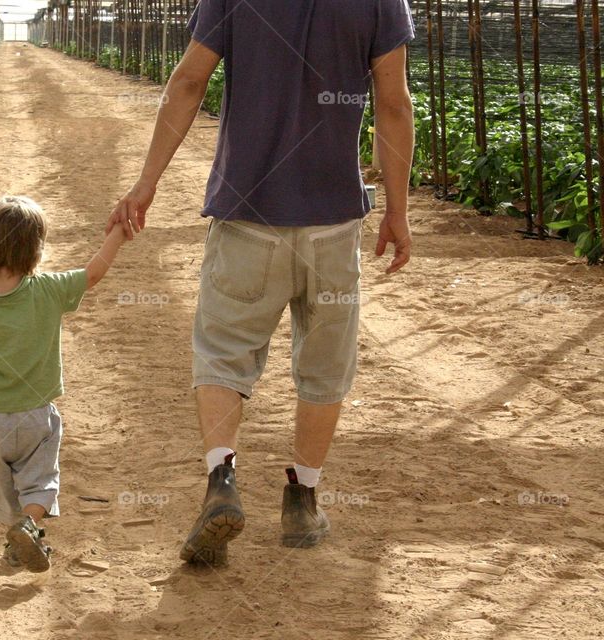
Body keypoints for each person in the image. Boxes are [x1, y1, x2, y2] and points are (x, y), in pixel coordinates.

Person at [107, 0, 416, 566]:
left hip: (247, 215)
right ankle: (302, 499)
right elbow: (393, 105)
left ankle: (221, 478)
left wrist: (146, 183)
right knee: (324, 366)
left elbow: (188, 81)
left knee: (223, 355)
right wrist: (397, 209)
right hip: (332, 223)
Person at [0, 195, 128, 572]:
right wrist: (117, 235)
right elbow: (93, 273)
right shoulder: (49, 290)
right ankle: (30, 527)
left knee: (5, 490)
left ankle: (17, 539)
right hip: (36, 417)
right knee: (41, 481)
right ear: (38, 249)